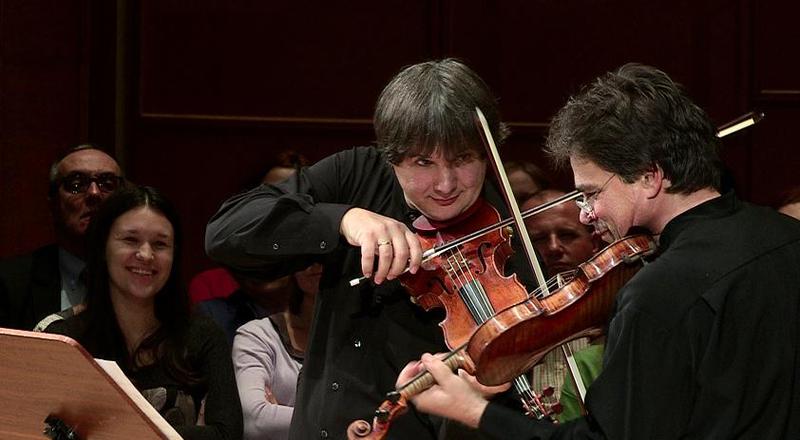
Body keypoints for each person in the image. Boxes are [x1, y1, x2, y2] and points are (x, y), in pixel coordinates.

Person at [395, 63, 800, 439]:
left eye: (591, 193)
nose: (588, 214)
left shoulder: (658, 293)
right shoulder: (785, 235)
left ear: (649, 176)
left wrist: (476, 412)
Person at [206, 58, 535, 439]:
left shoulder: (506, 230)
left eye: (463, 159)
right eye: (423, 162)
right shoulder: (358, 174)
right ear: (392, 156)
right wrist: (342, 220)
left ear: (487, 152)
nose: (446, 184)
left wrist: (489, 387)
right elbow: (225, 232)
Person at [44, 185, 243, 439]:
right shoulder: (66, 340)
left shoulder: (203, 335)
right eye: (130, 240)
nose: (146, 255)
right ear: (103, 248)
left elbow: (228, 435)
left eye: (160, 244)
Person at [0, 144, 123, 330]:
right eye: (76, 184)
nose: (94, 193)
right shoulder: (10, 282)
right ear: (53, 203)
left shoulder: (146, 277)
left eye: (107, 184)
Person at [521, 189, 602, 415]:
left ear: (594, 240)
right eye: (538, 239)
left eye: (567, 235)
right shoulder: (515, 309)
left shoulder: (615, 301)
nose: (554, 247)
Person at [232, 263, 320, 440]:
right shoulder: (258, 335)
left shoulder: (367, 337)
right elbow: (256, 422)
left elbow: (383, 417)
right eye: (307, 254)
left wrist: (283, 416)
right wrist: (349, 423)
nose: (315, 264)